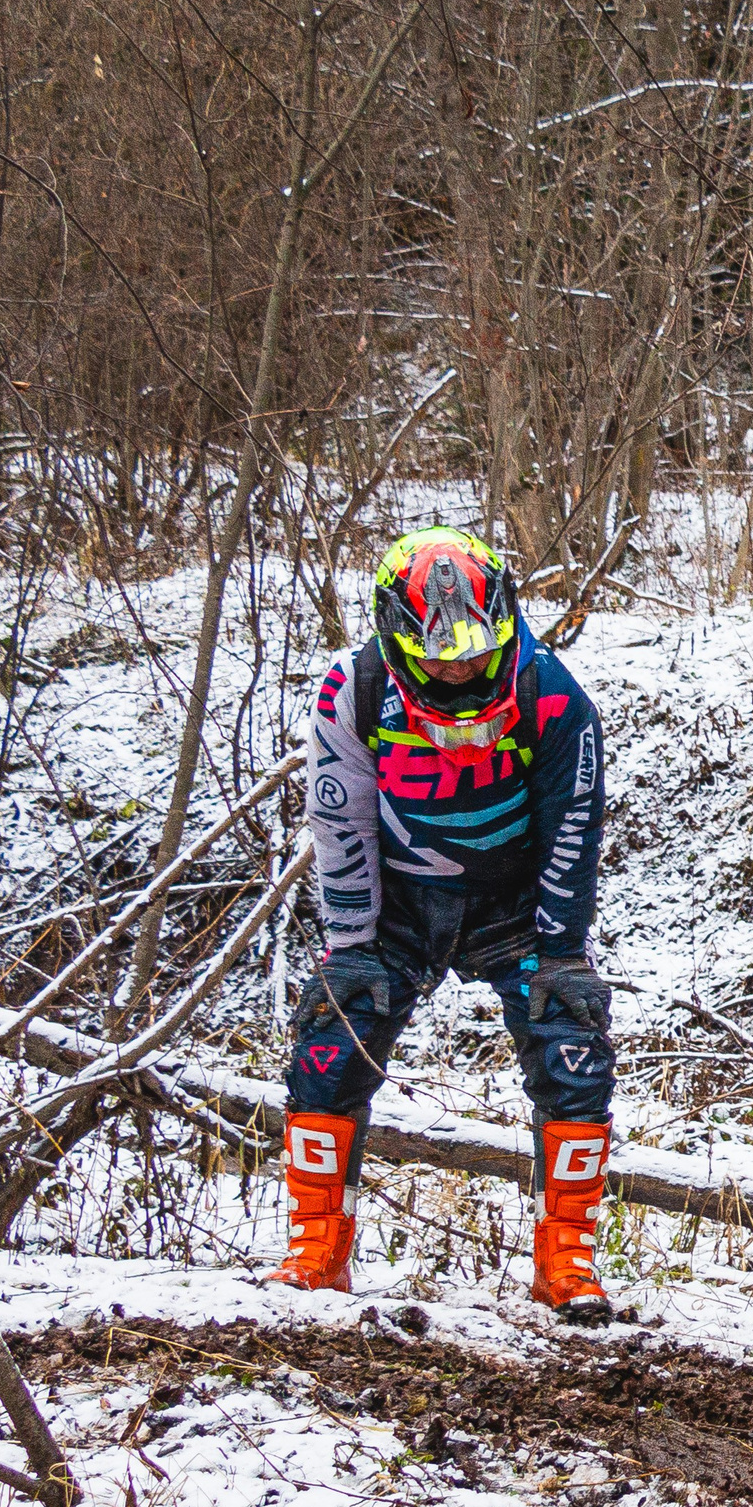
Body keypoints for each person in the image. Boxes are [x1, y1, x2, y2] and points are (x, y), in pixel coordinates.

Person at [267, 526, 617, 1321]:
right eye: (438, 656)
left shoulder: (555, 697)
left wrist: (562, 950)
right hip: (397, 902)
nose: (457, 668)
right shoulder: (351, 692)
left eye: (471, 651)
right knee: (333, 1032)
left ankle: (567, 1262)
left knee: (572, 1037)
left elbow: (574, 826)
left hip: (514, 903)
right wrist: (351, 942)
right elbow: (339, 821)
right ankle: (315, 1252)